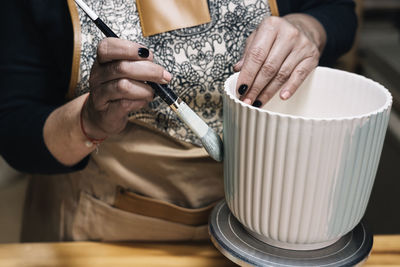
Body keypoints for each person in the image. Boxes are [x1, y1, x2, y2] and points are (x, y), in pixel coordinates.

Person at [0, 0, 357, 242]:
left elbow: (336, 10)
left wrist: (308, 29)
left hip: (270, 214)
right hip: (106, 223)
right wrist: (90, 120)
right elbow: (15, 127)